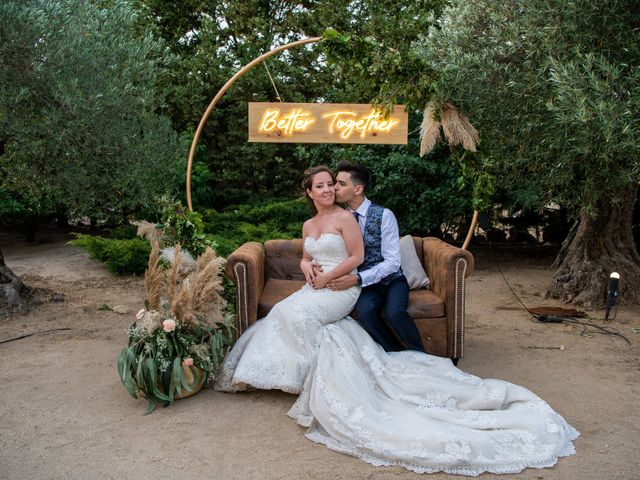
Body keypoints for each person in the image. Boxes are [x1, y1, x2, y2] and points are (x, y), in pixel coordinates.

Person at [215, 166, 578, 476]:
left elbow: (369, 259)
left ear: (351, 189)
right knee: (292, 312)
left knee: (380, 311)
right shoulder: (311, 223)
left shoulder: (361, 217)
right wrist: (307, 266)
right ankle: (294, 372)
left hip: (360, 282)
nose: (330, 189)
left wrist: (339, 278)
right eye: (323, 185)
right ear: (309, 192)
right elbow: (307, 255)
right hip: (327, 285)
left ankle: (408, 358)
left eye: (334, 184)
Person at [329, 160, 424, 353]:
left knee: (395, 313)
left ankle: (420, 354)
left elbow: (392, 262)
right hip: (367, 286)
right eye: (335, 182)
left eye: (341, 184)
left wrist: (358, 278)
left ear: (358, 189)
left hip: (392, 280)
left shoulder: (384, 215)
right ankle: (396, 353)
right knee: (365, 313)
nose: (335, 188)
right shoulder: (340, 218)